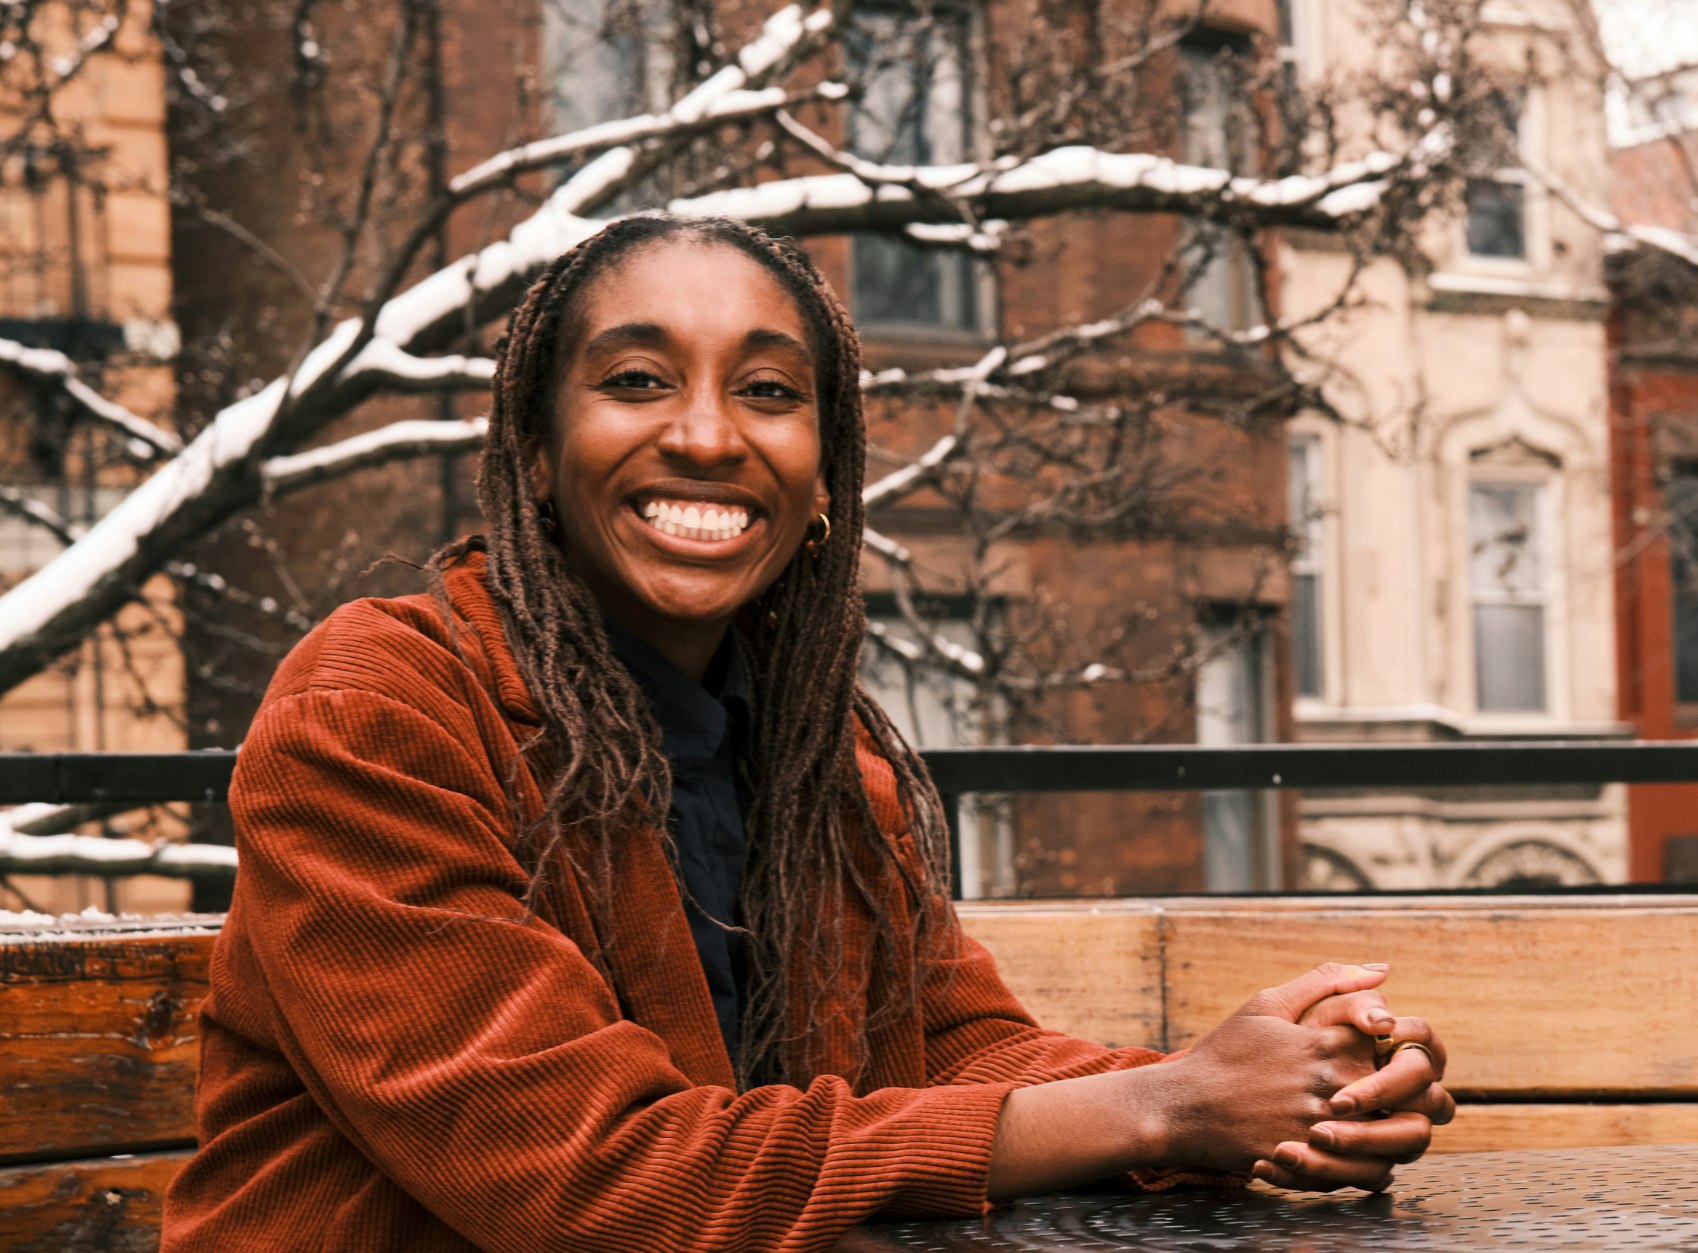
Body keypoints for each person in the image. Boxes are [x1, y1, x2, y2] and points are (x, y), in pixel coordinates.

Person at [161, 215, 1452, 1252]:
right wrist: (1157, 1105)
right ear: (535, 454)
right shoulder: (380, 711)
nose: (706, 434)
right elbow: (593, 1177)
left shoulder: (815, 758)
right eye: (635, 380)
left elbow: (955, 1050)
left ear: (823, 473)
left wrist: (1277, 1090)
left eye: (769, 391)